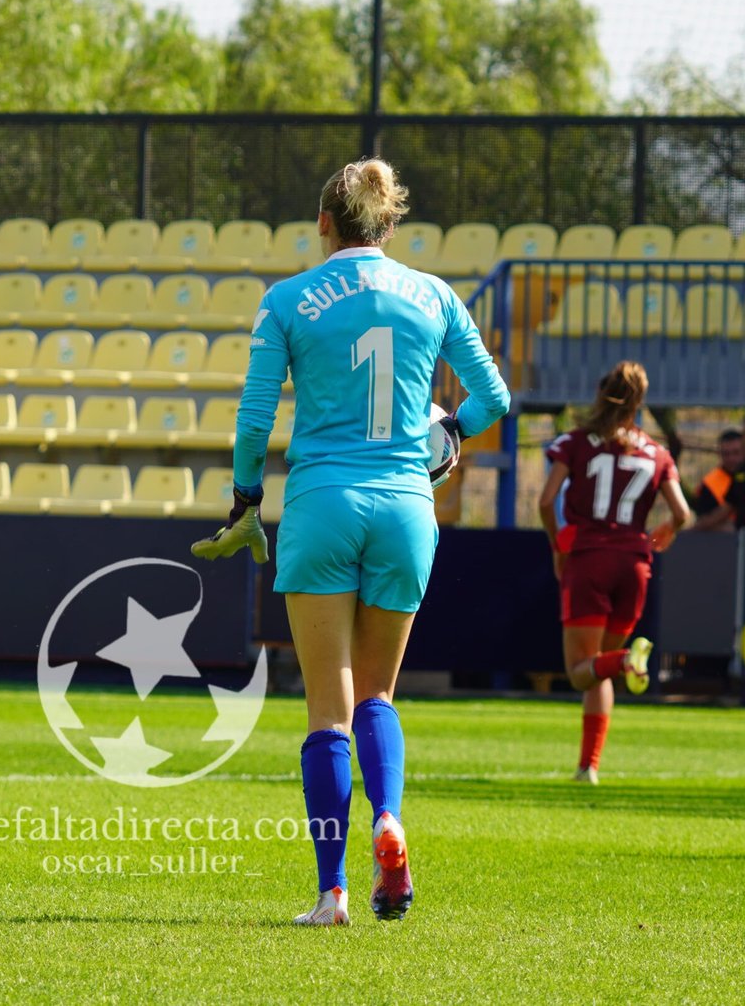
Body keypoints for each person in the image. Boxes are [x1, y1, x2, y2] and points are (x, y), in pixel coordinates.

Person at [191, 158, 509, 926]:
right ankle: (389, 817)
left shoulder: (289, 299)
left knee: (325, 712)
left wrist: (244, 500)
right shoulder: (433, 294)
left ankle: (332, 890)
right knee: (378, 696)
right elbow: (493, 399)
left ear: (324, 223)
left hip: (323, 502)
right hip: (407, 504)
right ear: (390, 227)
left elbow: (254, 416)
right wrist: (450, 436)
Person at [538, 362, 691, 785]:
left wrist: (558, 544)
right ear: (639, 403)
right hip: (635, 562)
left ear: (600, 393)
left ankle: (626, 660)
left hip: (590, 558)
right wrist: (665, 532)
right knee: (598, 667)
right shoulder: (657, 453)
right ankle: (589, 766)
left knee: (581, 669)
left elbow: (546, 501)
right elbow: (682, 512)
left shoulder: (574, 442)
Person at [691, 428, 744, 520]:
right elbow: (704, 519)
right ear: (719, 454)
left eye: (736, 453)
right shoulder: (709, 484)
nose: (731, 458)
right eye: (726, 454)